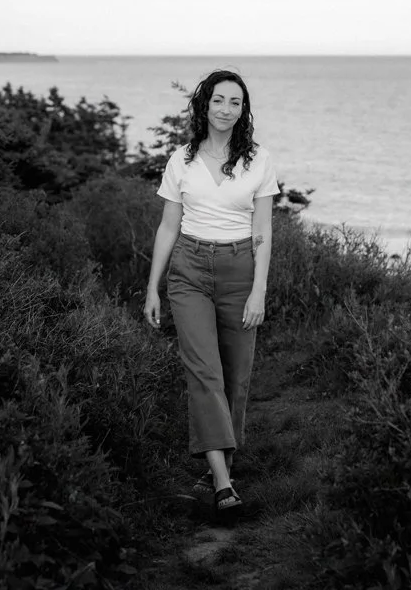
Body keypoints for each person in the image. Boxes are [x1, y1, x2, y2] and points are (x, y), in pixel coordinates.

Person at [143, 69, 279, 520]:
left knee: (237, 377)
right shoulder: (180, 160)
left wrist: (259, 289)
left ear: (244, 110)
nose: (225, 109)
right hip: (190, 271)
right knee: (204, 372)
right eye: (218, 100)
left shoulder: (258, 159)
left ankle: (222, 460)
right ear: (204, 106)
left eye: (235, 102)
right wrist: (153, 287)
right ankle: (222, 482)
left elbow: (262, 231)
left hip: (241, 270)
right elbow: (168, 225)